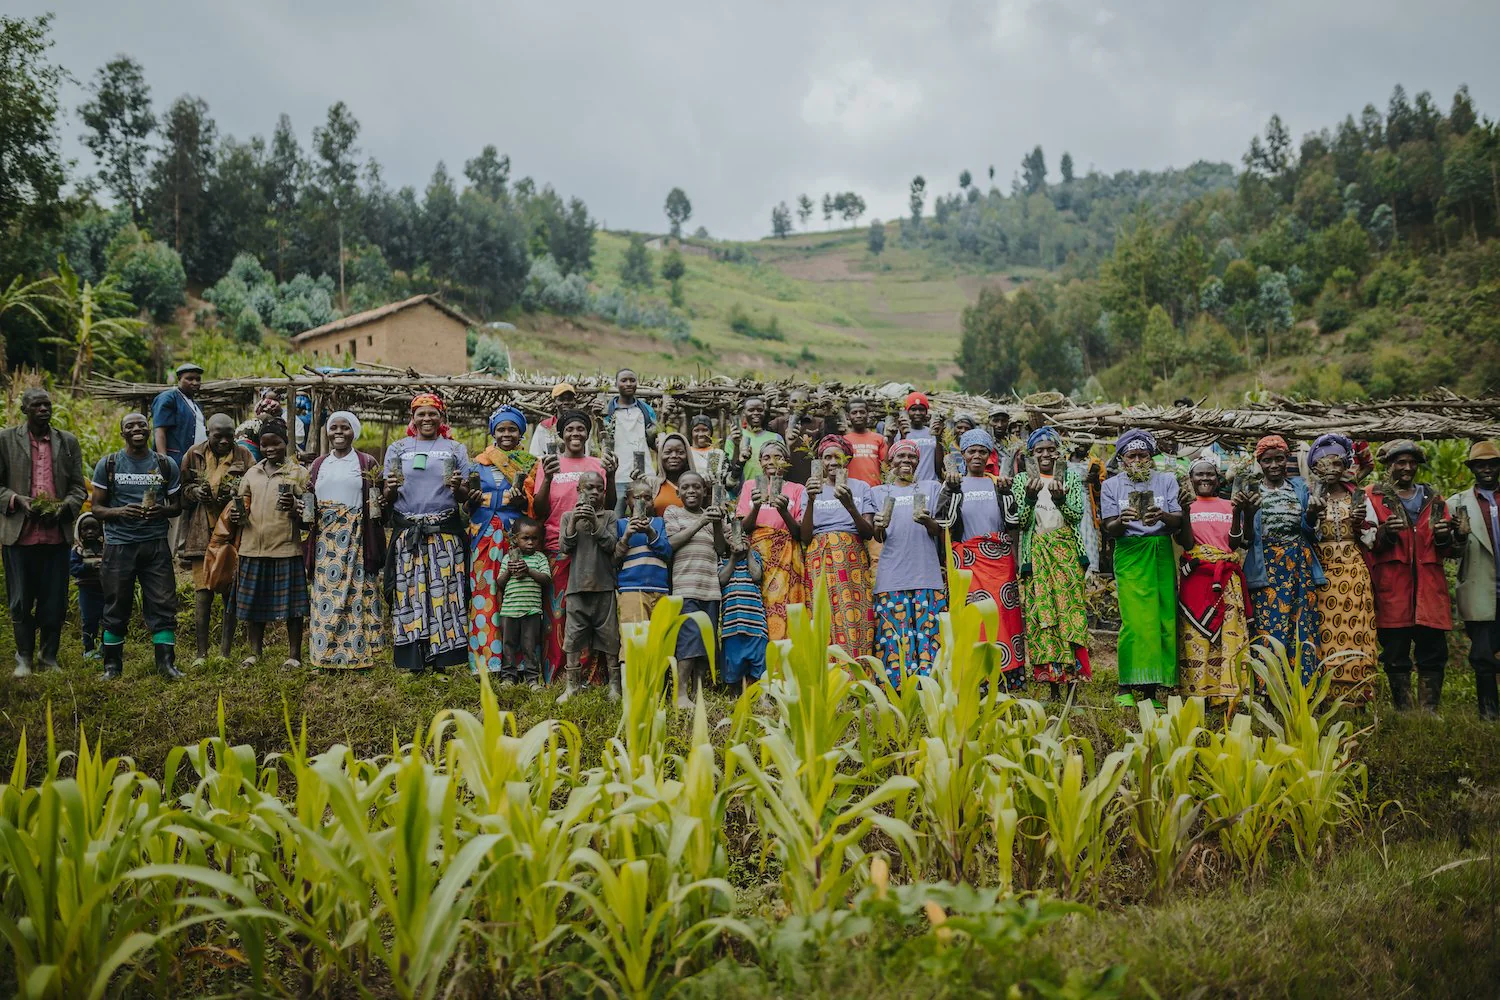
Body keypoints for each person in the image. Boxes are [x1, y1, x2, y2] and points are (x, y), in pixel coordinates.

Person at [382, 393, 476, 672]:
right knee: (410, 594)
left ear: (441, 417)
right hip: (409, 532)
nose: (426, 419)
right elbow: (388, 495)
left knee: (444, 596)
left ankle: (442, 660)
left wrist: (458, 486)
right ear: (412, 418)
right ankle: (414, 660)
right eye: (420, 414)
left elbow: (463, 497)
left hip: (444, 532)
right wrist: (389, 488)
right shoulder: (398, 449)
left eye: (432, 413)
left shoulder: (454, 449)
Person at [90, 412, 183, 680]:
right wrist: (120, 512)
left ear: (149, 429)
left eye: (142, 424)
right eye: (130, 426)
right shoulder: (109, 464)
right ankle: (112, 667)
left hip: (155, 546)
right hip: (120, 545)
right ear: (123, 433)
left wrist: (162, 512)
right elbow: (96, 508)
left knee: (163, 602)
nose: (137, 429)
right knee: (116, 603)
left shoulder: (165, 465)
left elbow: (177, 506)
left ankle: (166, 665)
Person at [1, 387, 87, 675]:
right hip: (20, 535)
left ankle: (48, 657)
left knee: (55, 600)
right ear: (24, 409)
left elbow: (78, 486)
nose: (43, 410)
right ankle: (23, 658)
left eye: (47, 405)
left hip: (55, 536)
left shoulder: (68, 442)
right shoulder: (5, 440)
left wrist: (67, 507)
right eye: (37, 405)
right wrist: (17, 500)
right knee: (20, 599)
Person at [1364, 440, 1454, 709]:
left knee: (1434, 652)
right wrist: (1386, 533)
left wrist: (1445, 536)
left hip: (1430, 587)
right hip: (1393, 587)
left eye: (1412, 463)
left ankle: (1429, 710)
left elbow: (1449, 548)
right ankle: (1403, 710)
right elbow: (1366, 540)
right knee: (1394, 653)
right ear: (1389, 465)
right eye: (1400, 462)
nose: (1407, 468)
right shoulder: (1373, 496)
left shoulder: (1435, 499)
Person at [530, 409, 616, 682]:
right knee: (558, 611)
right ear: (561, 434)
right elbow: (540, 510)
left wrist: (611, 476)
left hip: (593, 548)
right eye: (570, 429)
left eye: (581, 429)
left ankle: (591, 674)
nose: (575, 433)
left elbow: (610, 504)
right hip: (559, 543)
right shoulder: (550, 464)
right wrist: (548, 477)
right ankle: (559, 672)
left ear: (587, 434)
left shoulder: (597, 464)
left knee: (591, 610)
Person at [1100, 429, 1181, 706]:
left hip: (1159, 550)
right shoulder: (1111, 486)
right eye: (1131, 456)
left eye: (1143, 455)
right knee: (1135, 621)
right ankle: (1125, 686)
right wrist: (1121, 520)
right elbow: (1108, 528)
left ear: (1151, 457)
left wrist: (1164, 515)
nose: (1138, 461)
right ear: (1121, 459)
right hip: (1130, 550)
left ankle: (1152, 691)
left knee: (1162, 618)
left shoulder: (1167, 480)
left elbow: (1178, 521)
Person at [303, 411, 386, 671]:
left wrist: (383, 500)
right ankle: (324, 654)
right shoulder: (318, 465)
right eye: (333, 428)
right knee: (325, 594)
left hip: (357, 538)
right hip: (325, 542)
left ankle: (358, 655)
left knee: (356, 593)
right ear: (327, 431)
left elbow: (379, 498)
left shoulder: (366, 462)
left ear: (354, 432)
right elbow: (308, 503)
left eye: (345, 428)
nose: (338, 432)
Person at [1013, 427, 1092, 696]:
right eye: (1039, 450)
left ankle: (1072, 686)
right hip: (1036, 553)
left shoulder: (1069, 476)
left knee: (1069, 615)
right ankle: (1052, 688)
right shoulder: (1022, 480)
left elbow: (1075, 516)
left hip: (1066, 552)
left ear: (1059, 452)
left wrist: (1059, 500)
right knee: (1042, 618)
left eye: (1050, 449)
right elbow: (1022, 522)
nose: (1046, 454)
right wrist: (1030, 497)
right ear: (1031, 454)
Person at [1243, 435, 1325, 684]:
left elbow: (1310, 532)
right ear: (1260, 463)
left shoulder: (1299, 488)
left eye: (1280, 458)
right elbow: (1248, 539)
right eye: (1268, 460)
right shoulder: (1253, 491)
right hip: (1267, 565)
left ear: (1287, 459)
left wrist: (1310, 516)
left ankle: (1302, 688)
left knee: (1302, 625)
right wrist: (1247, 513)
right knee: (1269, 626)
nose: (1275, 465)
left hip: (1299, 564)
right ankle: (1269, 690)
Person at [946, 428, 1025, 687]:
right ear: (964, 455)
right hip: (968, 562)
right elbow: (946, 522)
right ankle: (976, 675)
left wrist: (1006, 494)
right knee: (974, 616)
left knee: (1004, 615)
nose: (977, 456)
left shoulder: (998, 483)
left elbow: (1013, 523)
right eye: (972, 451)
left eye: (982, 451)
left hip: (999, 562)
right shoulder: (954, 484)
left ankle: (1007, 675)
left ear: (990, 454)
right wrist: (952, 491)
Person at [228, 418, 308, 668]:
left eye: (276, 443)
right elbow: (242, 505)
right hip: (252, 547)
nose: (270, 448)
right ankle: (254, 653)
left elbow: (309, 515)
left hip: (286, 547)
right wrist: (235, 514)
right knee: (254, 605)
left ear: (286, 443)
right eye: (264, 444)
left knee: (293, 609)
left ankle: (294, 655)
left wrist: (296, 507)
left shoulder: (299, 473)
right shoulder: (252, 473)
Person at [1305, 434, 1379, 702]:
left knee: (1357, 629)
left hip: (1353, 568)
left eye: (1337, 463)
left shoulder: (1357, 496)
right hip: (1322, 572)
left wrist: (1361, 525)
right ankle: (1325, 696)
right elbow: (1305, 533)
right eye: (1325, 464)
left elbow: (1372, 537)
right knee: (1324, 631)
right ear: (1315, 468)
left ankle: (1358, 696)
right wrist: (1312, 514)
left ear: (1346, 465)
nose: (1332, 469)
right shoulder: (1308, 496)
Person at [1176, 458, 1253, 702]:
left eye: (1210, 474)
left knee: (1227, 634)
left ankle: (1227, 694)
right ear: (1191, 480)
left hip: (1226, 579)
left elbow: (1235, 544)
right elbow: (1187, 544)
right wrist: (1185, 511)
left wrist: (1239, 511)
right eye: (1199, 475)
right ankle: (1199, 695)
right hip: (1197, 578)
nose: (1205, 479)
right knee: (1196, 633)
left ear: (1219, 479)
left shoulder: (1229, 505)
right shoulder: (1185, 506)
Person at [179, 413, 253, 665]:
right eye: (217, 435)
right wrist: (194, 492)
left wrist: (235, 500)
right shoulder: (193, 454)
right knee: (203, 593)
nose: (224, 440)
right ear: (208, 434)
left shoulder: (244, 456)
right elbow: (181, 492)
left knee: (228, 591)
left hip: (231, 535)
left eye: (229, 435)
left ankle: (225, 652)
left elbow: (252, 491)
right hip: (201, 534)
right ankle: (201, 654)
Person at [870, 439, 946, 684]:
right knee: (895, 639)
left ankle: (930, 690)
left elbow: (941, 532)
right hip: (892, 575)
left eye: (911, 457)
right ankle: (899, 695)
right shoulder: (879, 492)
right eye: (900, 457)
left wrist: (927, 522)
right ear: (890, 461)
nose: (906, 461)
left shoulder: (931, 488)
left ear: (918, 461)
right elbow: (878, 535)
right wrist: (879, 527)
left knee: (928, 637)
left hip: (926, 572)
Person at [467, 406, 537, 675]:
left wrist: (521, 501)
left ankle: (517, 660)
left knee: (515, 593)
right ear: (492, 432)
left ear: (521, 433)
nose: (507, 434)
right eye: (501, 429)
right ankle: (485, 660)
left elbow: (533, 505)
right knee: (484, 593)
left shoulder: (530, 463)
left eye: (512, 429)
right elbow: (468, 503)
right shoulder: (479, 463)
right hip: (483, 534)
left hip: (514, 536)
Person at [800, 435, 876, 659]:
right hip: (819, 555)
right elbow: (805, 536)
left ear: (847, 459)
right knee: (823, 610)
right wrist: (812, 500)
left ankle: (854, 671)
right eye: (827, 457)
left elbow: (868, 532)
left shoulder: (861, 487)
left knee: (853, 609)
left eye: (838, 456)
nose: (833, 461)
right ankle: (827, 672)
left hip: (851, 555)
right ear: (820, 461)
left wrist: (850, 505)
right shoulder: (812, 488)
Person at [1446, 440, 1500, 719]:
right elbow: (1449, 551)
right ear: (1472, 468)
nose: (1487, 469)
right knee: (1482, 655)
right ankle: (1489, 714)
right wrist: (1460, 535)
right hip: (1479, 587)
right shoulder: (1456, 503)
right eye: (1481, 464)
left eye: (1492, 464)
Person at [558, 471, 623, 702]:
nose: (594, 492)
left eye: (599, 488)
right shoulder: (568, 516)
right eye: (589, 488)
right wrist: (575, 520)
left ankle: (615, 687)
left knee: (610, 638)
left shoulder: (610, 516)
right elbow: (564, 547)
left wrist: (595, 522)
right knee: (573, 638)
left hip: (604, 586)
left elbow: (611, 545)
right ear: (579, 491)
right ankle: (571, 686)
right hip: (576, 588)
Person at [665, 471, 726, 707]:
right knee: (689, 640)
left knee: (706, 640)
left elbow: (721, 549)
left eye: (697, 487)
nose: (692, 491)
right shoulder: (673, 512)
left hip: (710, 588)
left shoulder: (713, 516)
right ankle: (680, 693)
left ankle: (698, 691)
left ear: (704, 492)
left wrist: (717, 524)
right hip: (685, 588)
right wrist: (701, 523)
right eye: (686, 487)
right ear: (678, 492)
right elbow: (671, 543)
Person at [736, 440, 807, 641]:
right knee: (759, 609)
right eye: (766, 457)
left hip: (786, 556)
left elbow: (799, 532)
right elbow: (742, 528)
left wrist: (784, 511)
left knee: (784, 607)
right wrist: (756, 506)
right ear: (759, 461)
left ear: (786, 462)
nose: (772, 461)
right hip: (757, 555)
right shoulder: (750, 486)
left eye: (778, 457)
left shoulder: (796, 489)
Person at [152, 362, 207, 558]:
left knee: (187, 503)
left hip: (193, 463)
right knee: (174, 504)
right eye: (189, 379)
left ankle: (183, 550)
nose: (195, 383)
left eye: (198, 379)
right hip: (175, 460)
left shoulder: (194, 404)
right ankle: (170, 552)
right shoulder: (169, 398)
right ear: (179, 380)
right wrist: (163, 460)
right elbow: (159, 430)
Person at [495, 518, 551, 686]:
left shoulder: (540, 558)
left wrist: (528, 570)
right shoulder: (508, 558)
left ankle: (532, 679)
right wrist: (509, 571)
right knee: (509, 645)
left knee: (530, 646)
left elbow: (546, 579)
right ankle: (508, 677)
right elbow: (500, 583)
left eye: (534, 539)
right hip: (509, 611)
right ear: (515, 540)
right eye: (525, 538)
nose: (530, 542)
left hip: (532, 611)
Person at [615, 482, 672, 643]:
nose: (642, 502)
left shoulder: (659, 523)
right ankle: (630, 668)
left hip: (660, 589)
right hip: (631, 589)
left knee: (659, 642)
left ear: (653, 501)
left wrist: (650, 532)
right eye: (637, 498)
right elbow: (614, 558)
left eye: (647, 498)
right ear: (628, 501)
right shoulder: (620, 525)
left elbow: (667, 553)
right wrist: (626, 537)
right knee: (633, 640)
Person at [719, 525, 768, 694]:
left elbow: (756, 576)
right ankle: (736, 697)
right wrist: (733, 557)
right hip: (732, 625)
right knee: (733, 664)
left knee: (760, 663)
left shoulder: (753, 557)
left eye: (739, 535)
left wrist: (747, 553)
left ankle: (761, 698)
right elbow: (722, 580)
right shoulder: (722, 559)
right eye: (729, 535)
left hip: (755, 624)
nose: (734, 538)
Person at [603, 368, 658, 502]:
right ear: (616, 384)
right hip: (618, 475)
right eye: (624, 380)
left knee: (644, 513)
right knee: (617, 516)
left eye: (632, 380)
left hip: (644, 473)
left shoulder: (646, 410)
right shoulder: (608, 411)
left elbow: (653, 440)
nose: (628, 384)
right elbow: (603, 440)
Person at [769, 388, 827, 485]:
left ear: (809, 405)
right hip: (784, 480)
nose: (798, 405)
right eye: (794, 401)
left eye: (804, 402)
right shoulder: (778, 423)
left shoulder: (818, 423)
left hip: (810, 480)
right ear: (788, 404)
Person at [623, 432, 690, 515]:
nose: (674, 455)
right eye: (668, 452)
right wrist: (637, 485)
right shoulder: (650, 483)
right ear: (660, 455)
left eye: (680, 452)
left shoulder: (696, 484)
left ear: (687, 455)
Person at [70, 513, 105, 661]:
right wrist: (89, 567)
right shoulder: (77, 550)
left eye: (94, 528)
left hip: (104, 590)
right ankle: (89, 649)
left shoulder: (106, 548)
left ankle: (106, 646)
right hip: (87, 591)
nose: (90, 532)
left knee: (107, 619)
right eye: (86, 529)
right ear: (79, 531)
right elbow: (73, 569)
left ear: (101, 530)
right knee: (89, 620)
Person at [887, 391, 940, 482]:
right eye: (913, 409)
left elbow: (938, 462)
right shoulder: (899, 433)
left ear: (926, 412)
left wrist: (939, 437)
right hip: (906, 482)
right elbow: (891, 460)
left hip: (929, 482)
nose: (918, 413)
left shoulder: (933, 433)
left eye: (921, 409)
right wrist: (903, 436)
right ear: (907, 412)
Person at [729, 396, 784, 484]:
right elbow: (731, 467)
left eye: (760, 410)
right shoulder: (735, 436)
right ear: (743, 413)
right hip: (742, 491)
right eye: (751, 410)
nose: (756, 413)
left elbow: (783, 466)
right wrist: (736, 445)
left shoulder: (777, 438)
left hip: (771, 489)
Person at [530, 382, 586, 459]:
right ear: (554, 402)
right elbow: (535, 455)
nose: (566, 402)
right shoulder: (544, 427)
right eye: (561, 399)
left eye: (569, 399)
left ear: (574, 402)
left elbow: (588, 454)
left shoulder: (581, 427)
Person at [843, 399, 888, 488]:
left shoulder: (879, 439)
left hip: (874, 490)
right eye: (854, 412)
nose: (858, 415)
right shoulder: (843, 441)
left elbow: (885, 467)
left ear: (868, 414)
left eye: (862, 412)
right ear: (848, 416)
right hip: (852, 490)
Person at [687, 415, 730, 482]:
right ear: (691, 433)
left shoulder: (716, 453)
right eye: (696, 430)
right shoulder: (687, 452)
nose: (701, 434)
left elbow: (718, 477)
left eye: (705, 430)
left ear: (711, 432)